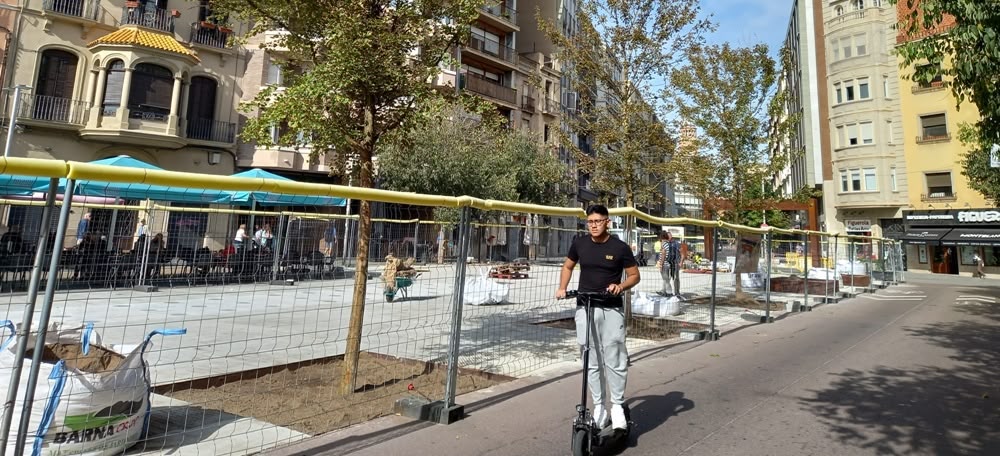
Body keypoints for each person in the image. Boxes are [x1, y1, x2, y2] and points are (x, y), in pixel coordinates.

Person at [555, 205, 640, 432]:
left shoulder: (619, 248)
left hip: (611, 309)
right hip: (586, 307)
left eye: (598, 221)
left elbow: (634, 275)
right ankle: (600, 407)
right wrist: (562, 288)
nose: (593, 225)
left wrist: (620, 286)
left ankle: (617, 406)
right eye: (590, 221)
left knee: (615, 357)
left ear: (607, 222)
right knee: (591, 359)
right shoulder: (580, 244)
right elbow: (567, 266)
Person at [657, 231, 681, 296]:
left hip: (667, 263)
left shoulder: (665, 243)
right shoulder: (669, 244)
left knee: (668, 279)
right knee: (666, 279)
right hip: (669, 263)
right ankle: (663, 291)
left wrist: (661, 264)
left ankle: (670, 293)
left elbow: (663, 254)